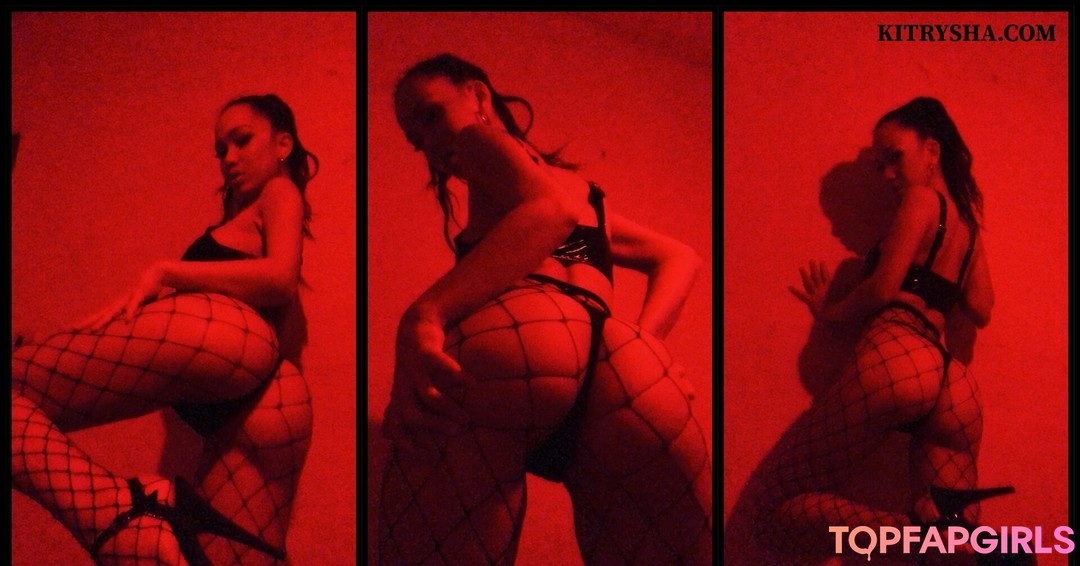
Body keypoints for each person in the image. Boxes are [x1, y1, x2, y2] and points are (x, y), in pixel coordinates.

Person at [377, 53, 713, 565]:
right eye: (415, 138)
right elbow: (679, 256)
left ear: (477, 95)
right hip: (624, 368)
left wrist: (424, 314)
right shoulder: (584, 193)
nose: (429, 143)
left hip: (525, 339)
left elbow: (548, 212)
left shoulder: (478, 140)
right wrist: (645, 341)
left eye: (430, 115)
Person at [11, 94, 316, 565]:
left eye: (242, 140)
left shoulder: (279, 191)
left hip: (236, 348)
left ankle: (120, 516)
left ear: (283, 144)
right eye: (220, 150)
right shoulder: (245, 216)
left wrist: (165, 271)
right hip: (276, 402)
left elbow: (279, 278)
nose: (228, 158)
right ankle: (123, 518)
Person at [754, 97, 1032, 563]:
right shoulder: (968, 227)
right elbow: (982, 308)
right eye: (879, 165)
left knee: (775, 513)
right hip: (954, 385)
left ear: (931, 150)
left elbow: (884, 288)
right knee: (949, 546)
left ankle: (926, 536)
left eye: (894, 157)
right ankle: (975, 548)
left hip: (897, 351)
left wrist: (830, 311)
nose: (886, 174)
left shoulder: (920, 200)